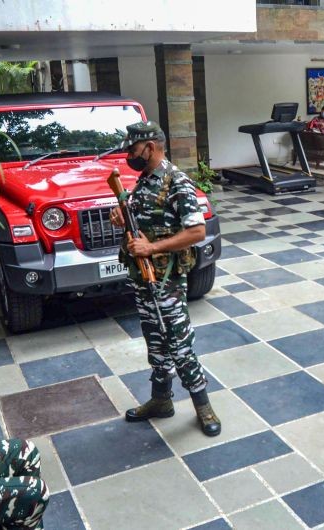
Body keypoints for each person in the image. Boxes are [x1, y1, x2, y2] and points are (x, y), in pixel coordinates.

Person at [110, 121, 221, 437]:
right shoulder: (143, 182)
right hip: (144, 279)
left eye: (133, 149)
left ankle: (202, 404)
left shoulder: (177, 182)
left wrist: (152, 247)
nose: (129, 155)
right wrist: (118, 217)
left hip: (167, 281)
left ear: (151, 147)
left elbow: (197, 231)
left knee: (179, 342)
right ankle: (161, 400)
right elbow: (138, 223)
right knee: (155, 341)